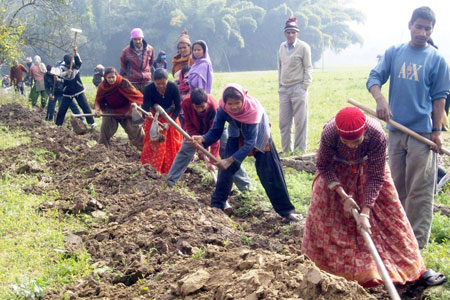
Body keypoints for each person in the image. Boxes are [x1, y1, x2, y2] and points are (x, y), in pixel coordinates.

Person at [302, 107, 447, 288]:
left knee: (394, 219)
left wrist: (365, 212)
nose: (351, 146)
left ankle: (414, 268)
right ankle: (326, 269)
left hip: (368, 170)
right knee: (324, 217)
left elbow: (377, 176)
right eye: (346, 142)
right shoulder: (330, 132)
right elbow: (323, 166)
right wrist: (343, 195)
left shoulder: (376, 133)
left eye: (356, 141)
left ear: (364, 133)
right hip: (337, 172)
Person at [366, 6, 450, 248]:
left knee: (420, 191)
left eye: (427, 28)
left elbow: (440, 99)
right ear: (410, 25)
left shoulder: (436, 60)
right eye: (419, 26)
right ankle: (395, 237)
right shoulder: (394, 53)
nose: (422, 32)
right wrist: (381, 100)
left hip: (422, 135)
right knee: (396, 187)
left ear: (432, 30)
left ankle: (416, 245)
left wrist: (436, 133)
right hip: (396, 131)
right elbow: (373, 78)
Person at [191, 83, 300, 221]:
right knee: (225, 171)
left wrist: (230, 160)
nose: (234, 107)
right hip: (237, 132)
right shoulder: (223, 109)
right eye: (230, 104)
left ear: (243, 100)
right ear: (225, 103)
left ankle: (287, 212)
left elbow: (250, 143)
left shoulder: (252, 111)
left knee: (270, 173)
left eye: (237, 103)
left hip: (258, 134)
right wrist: (202, 138)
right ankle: (216, 207)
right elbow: (216, 132)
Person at [168, 88, 251, 191]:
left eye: (202, 106)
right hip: (195, 130)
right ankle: (170, 182)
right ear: (192, 103)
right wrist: (197, 141)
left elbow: (215, 137)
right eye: (196, 107)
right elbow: (188, 123)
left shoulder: (213, 107)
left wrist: (212, 161)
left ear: (206, 102)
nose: (200, 109)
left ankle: (246, 187)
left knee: (228, 154)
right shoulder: (186, 103)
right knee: (184, 152)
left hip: (217, 130)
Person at [278, 17, 313, 155]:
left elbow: (308, 67)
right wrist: (280, 86)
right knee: (284, 122)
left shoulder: (303, 47)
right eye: (288, 32)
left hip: (298, 88)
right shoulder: (282, 47)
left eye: (293, 32)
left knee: (300, 121)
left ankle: (299, 151)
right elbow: (280, 67)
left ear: (297, 33)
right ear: (285, 34)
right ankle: (286, 150)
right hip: (284, 89)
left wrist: (304, 86)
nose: (290, 35)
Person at [140, 68, 182, 174]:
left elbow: (178, 108)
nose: (161, 86)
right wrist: (147, 114)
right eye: (158, 84)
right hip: (154, 116)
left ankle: (171, 169)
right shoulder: (149, 88)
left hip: (170, 116)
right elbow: (145, 107)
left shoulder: (173, 88)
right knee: (153, 142)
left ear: (167, 80)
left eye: (163, 83)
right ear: (154, 81)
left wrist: (170, 122)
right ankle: (151, 167)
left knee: (173, 142)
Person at [94, 67, 145, 149]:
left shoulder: (123, 83)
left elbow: (137, 97)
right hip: (111, 110)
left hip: (127, 110)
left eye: (113, 77)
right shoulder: (102, 87)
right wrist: (97, 110)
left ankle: (144, 150)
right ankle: (102, 149)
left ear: (116, 76)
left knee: (136, 132)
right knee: (105, 129)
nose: (111, 80)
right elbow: (97, 101)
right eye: (109, 78)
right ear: (105, 78)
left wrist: (131, 111)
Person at [55, 47, 95, 128]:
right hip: (67, 91)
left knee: (85, 106)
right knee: (62, 109)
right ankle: (58, 124)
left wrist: (76, 53)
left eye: (71, 63)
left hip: (78, 89)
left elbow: (79, 62)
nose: (70, 65)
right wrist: (66, 73)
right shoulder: (61, 67)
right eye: (68, 64)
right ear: (65, 63)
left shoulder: (75, 64)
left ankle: (91, 123)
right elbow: (59, 74)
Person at [120, 28, 154, 93]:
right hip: (133, 81)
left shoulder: (150, 49)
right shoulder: (126, 51)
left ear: (142, 38)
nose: (137, 41)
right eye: (135, 39)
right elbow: (123, 65)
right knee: (135, 102)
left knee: (147, 101)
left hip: (146, 81)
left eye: (139, 39)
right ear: (132, 39)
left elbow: (151, 63)